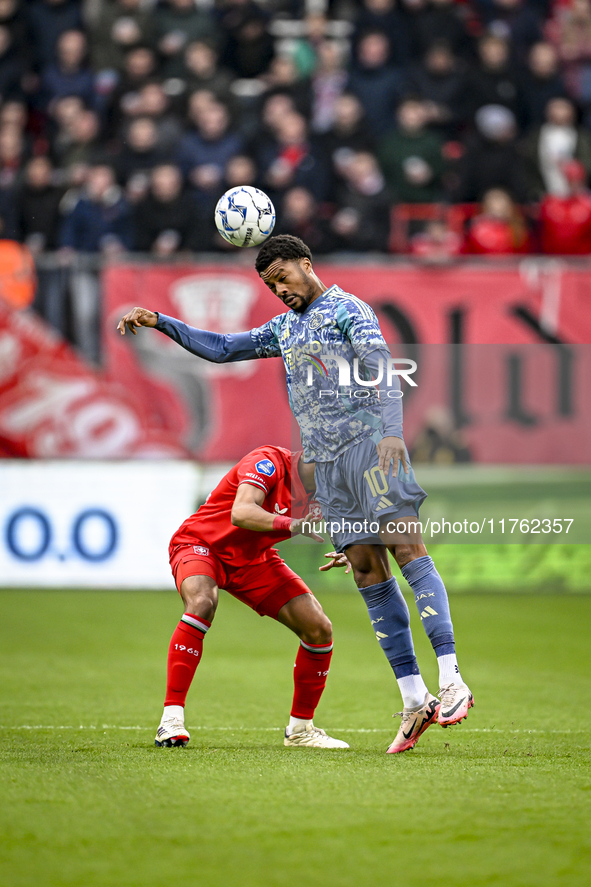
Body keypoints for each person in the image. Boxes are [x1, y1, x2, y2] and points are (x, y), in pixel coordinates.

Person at [118, 234, 474, 754]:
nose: (278, 289)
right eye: (269, 284)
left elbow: (384, 368)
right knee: (369, 572)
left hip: (371, 448)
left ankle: (452, 679)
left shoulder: (347, 310)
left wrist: (393, 432)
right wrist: (161, 322)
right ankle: (415, 698)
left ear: (305, 264)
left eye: (282, 276)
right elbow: (222, 348)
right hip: (330, 471)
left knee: (406, 549)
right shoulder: (285, 328)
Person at [153, 444, 349, 751]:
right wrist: (291, 524)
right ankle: (172, 718)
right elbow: (241, 512)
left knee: (318, 627)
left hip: (254, 560)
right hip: (202, 545)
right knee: (202, 602)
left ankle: (300, 730)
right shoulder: (268, 462)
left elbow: (348, 524)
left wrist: (348, 551)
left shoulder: (330, 487)